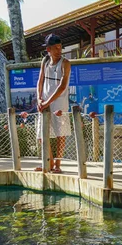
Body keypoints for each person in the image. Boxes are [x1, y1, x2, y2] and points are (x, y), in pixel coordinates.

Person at [35, 34, 71, 173]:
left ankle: (57, 164)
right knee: (41, 134)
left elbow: (62, 86)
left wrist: (47, 102)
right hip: (44, 101)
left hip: (59, 103)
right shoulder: (45, 61)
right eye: (55, 48)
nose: (59, 50)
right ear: (48, 49)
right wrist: (39, 98)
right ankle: (48, 163)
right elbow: (40, 81)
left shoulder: (65, 63)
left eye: (60, 47)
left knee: (60, 134)